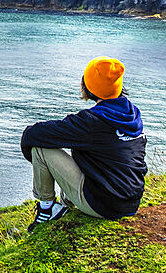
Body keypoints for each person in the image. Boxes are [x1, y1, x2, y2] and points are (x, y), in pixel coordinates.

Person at [20, 56, 147, 233]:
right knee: (92, 151)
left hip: (103, 206)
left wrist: (36, 161)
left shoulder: (91, 122)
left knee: (40, 148)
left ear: (88, 87)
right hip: (131, 201)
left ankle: (46, 209)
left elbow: (33, 134)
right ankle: (66, 203)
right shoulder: (132, 115)